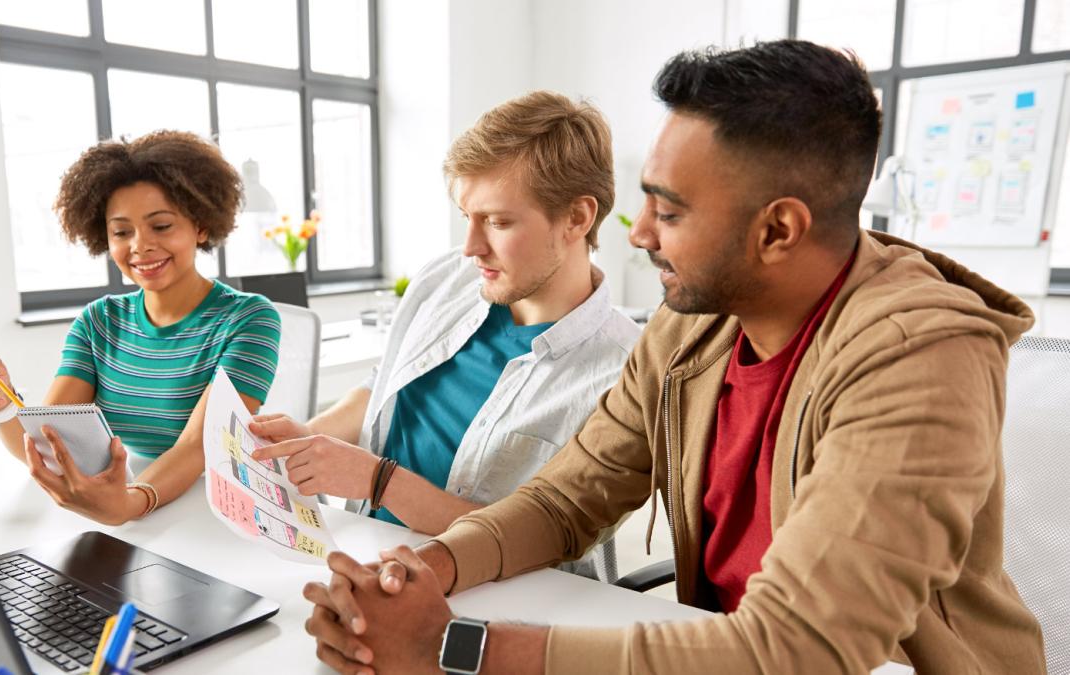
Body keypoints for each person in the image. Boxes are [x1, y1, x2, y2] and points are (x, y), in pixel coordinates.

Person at [302, 41, 1046, 674]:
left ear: (778, 230)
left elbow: (796, 646)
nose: (640, 232)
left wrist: (451, 646)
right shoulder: (694, 324)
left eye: (672, 209)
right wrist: (422, 571)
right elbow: (566, 501)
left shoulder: (920, 357)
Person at [249, 91, 641, 581]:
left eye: (498, 222)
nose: (472, 247)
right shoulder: (445, 279)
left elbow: (536, 542)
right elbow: (381, 386)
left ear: (577, 218)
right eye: (467, 218)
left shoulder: (623, 373)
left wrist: (377, 481)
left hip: (500, 600)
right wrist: (309, 437)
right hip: (363, 555)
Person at [0, 130, 281, 526]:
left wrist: (130, 503)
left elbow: (199, 447)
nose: (139, 246)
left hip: (217, 510)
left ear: (202, 226)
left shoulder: (248, 320)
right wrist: (0, 403)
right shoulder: (99, 322)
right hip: (134, 506)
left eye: (161, 226)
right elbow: (50, 444)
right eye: (122, 232)